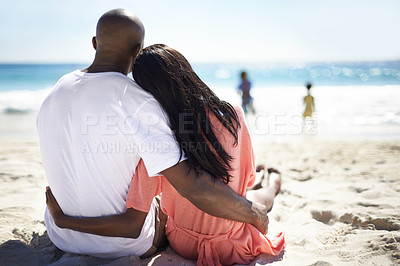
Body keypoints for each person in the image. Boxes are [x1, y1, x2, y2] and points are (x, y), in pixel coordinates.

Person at [37, 9, 271, 259]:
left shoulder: (55, 92)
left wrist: (62, 220)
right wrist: (254, 212)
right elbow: (193, 188)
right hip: (123, 246)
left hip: (61, 237)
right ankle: (270, 183)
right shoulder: (137, 101)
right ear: (137, 51)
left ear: (94, 44)